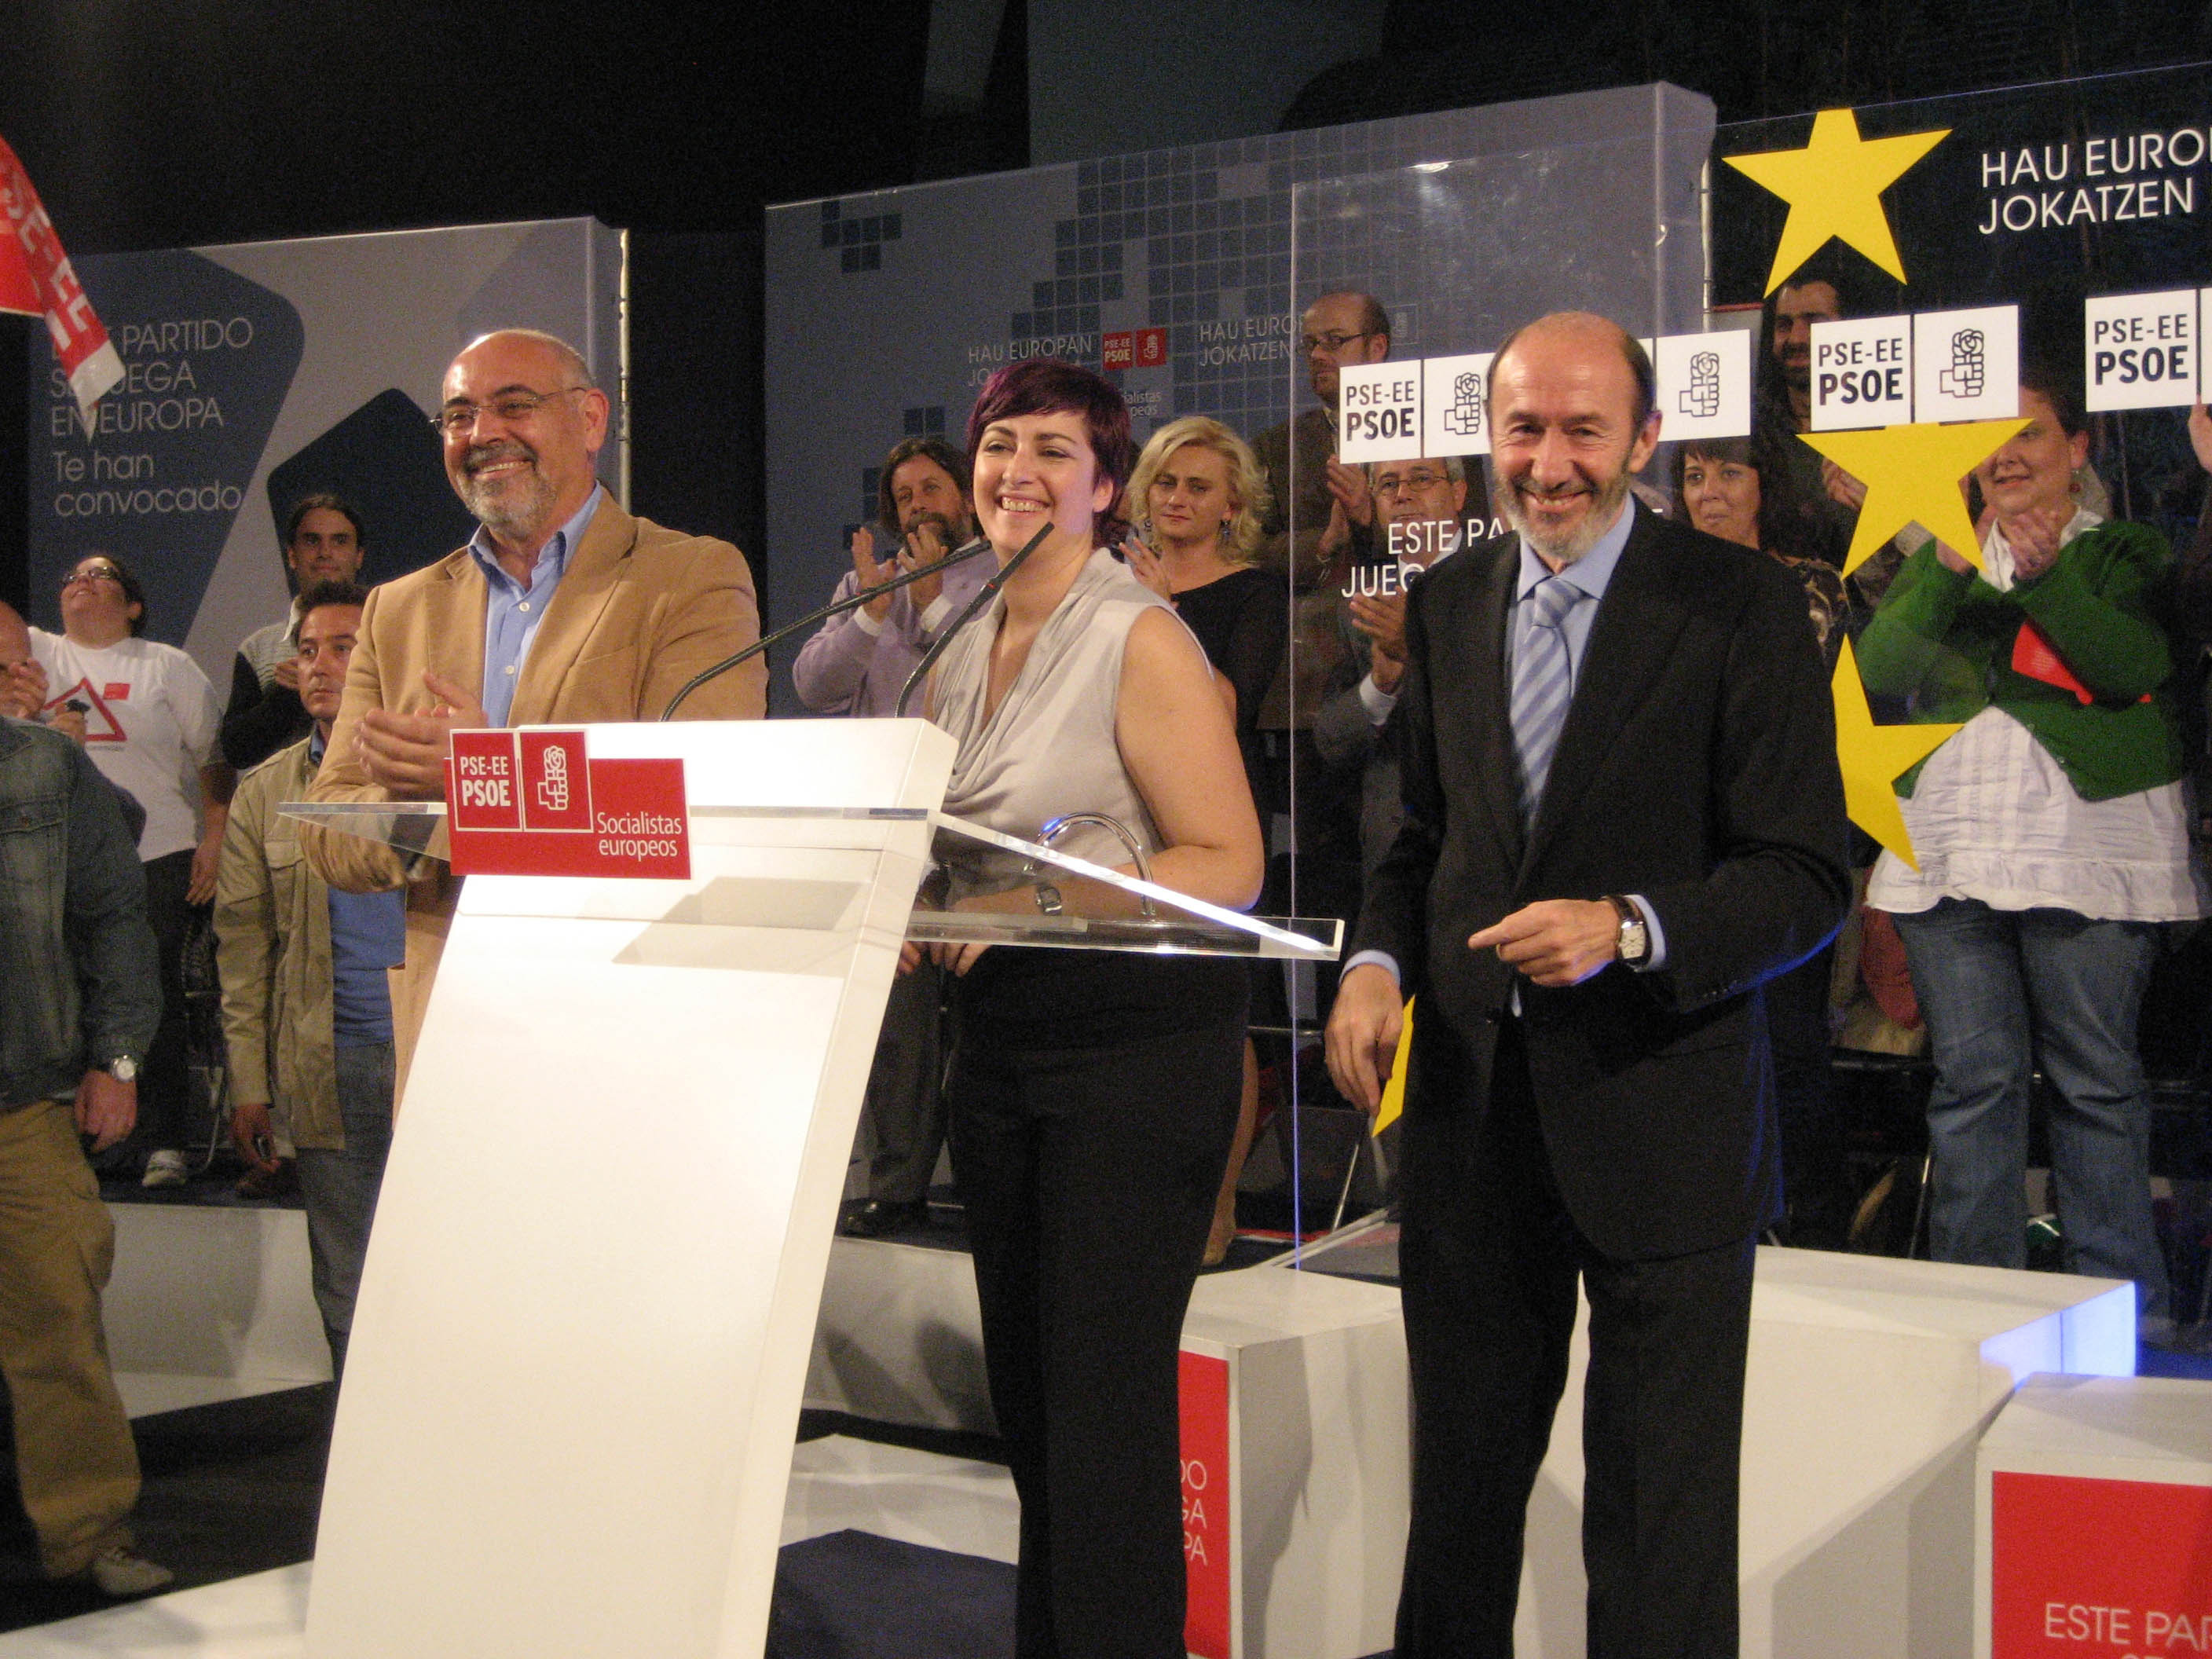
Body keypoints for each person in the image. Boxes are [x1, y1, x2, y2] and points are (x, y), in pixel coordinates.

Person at [1324, 313, 1850, 1657]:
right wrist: (1376, 963)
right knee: (1457, 1513)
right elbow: (1423, 837)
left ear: (1646, 438)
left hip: (1665, 1123)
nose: (1549, 464)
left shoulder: (1742, 605)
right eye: (1524, 430)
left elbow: (1804, 874)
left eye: (1582, 432)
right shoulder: (1451, 602)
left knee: (1659, 1531)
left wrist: (1630, 928)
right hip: (1471, 1125)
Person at [923, 358, 1262, 1658]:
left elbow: (1227, 862)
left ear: (1105, 486)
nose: (1019, 470)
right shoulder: (957, 629)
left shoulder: (1140, 635)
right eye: (1001, 443)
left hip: (1131, 1057)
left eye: (1055, 450)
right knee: (1033, 1416)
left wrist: (1038, 902)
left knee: (1102, 1425)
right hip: (999, 1051)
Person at [301, 329, 766, 1085]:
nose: (483, 434)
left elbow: (701, 802)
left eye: (514, 406)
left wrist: (483, 779)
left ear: (591, 420)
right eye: (459, 416)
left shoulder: (691, 577)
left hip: (623, 1023)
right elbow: (329, 830)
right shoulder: (397, 609)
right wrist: (435, 803)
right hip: (450, 1031)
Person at [1859, 368, 2201, 1335]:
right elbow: (1882, 669)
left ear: (2076, 447)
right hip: (1951, 851)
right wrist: (1949, 566)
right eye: (1985, 435)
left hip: (2086, 850)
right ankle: (1977, 1315)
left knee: (2094, 1082)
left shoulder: (2124, 549)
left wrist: (2046, 578)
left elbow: (2132, 665)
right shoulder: (1943, 555)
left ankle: (2120, 1319)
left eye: (2029, 432)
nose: (2004, 454)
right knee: (1975, 1083)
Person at [0, 601, 171, 1599]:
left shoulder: (49, 770)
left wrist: (119, 1057)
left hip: (22, 1104)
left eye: (15, 664)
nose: (11, 682)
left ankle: (88, 1534)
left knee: (59, 1324)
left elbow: (115, 918)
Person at [794, 435, 989, 1240]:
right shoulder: (865, 585)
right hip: (890, 830)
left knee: (980, 1018)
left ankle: (987, 1186)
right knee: (896, 1021)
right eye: (904, 495)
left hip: (978, 823)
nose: (917, 506)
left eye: (932, 488)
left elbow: (991, 680)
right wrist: (873, 611)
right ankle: (898, 1183)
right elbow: (813, 684)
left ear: (966, 497)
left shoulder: (1004, 571)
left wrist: (935, 600)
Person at [217, 580, 403, 1376]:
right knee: (348, 1283)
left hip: (437, 1056)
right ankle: (357, 1440)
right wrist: (249, 1084)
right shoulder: (264, 792)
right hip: (329, 1063)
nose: (321, 666)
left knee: (449, 1266)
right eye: (308, 649)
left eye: (344, 648)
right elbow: (242, 950)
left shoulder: (435, 772)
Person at [1122, 415, 1286, 1265]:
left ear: (1232, 506)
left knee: (1221, 1022)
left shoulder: (1253, 593)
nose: (1177, 498)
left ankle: (1218, 1209)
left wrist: (1161, 611)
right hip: (1124, 815)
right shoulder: (1111, 580)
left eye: (1198, 486)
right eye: (1165, 481)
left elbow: (1223, 708)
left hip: (1214, 824)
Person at [32, 554, 230, 1188]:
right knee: (61, 999)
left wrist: (215, 837)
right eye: (71, 577)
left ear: (134, 605)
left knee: (152, 997)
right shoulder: (36, 654)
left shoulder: (165, 665)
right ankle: (78, 1141)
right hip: (55, 863)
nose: (81, 582)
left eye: (100, 575)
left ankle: (163, 1139)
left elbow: (214, 761)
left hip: (156, 855)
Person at [1314, 456, 1474, 886]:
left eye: (1421, 479)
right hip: (1392, 848)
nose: (1402, 495)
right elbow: (1331, 738)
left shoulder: (1500, 581)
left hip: (1483, 834)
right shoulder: (1359, 603)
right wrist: (1381, 685)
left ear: (1459, 493)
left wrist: (1418, 652)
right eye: (1387, 485)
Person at [222, 494, 369, 771]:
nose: (325, 552)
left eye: (339, 541)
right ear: (292, 555)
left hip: (368, 783)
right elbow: (236, 751)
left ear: (359, 555)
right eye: (312, 541)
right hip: (284, 790)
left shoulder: (390, 635)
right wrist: (285, 697)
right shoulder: (259, 649)